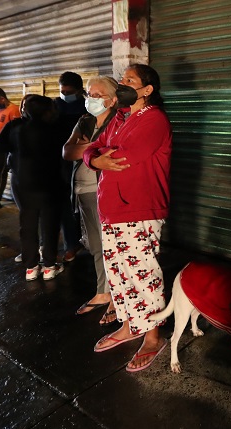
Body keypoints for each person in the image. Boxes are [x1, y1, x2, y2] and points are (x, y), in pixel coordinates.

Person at [84, 64, 172, 372]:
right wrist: (96, 158)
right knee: (119, 274)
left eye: (129, 81)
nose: (122, 84)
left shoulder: (155, 120)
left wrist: (101, 157)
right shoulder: (119, 118)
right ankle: (128, 326)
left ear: (147, 90)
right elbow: (93, 149)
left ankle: (152, 337)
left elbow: (122, 158)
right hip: (111, 209)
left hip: (139, 211)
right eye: (122, 79)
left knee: (143, 276)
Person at [63, 76, 118, 324]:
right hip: (83, 189)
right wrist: (92, 148)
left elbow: (112, 153)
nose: (91, 99)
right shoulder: (84, 121)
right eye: (89, 94)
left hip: (104, 189)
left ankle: (117, 298)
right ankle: (103, 292)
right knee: (96, 244)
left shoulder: (119, 121)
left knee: (112, 246)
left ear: (112, 98)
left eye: (97, 94)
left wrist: (86, 147)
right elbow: (66, 151)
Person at [0, 95, 65, 281]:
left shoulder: (15, 127)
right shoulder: (56, 129)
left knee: (27, 223)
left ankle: (31, 267)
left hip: (22, 182)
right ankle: (49, 265)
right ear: (47, 111)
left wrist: (15, 150)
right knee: (49, 224)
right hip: (50, 182)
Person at [54, 71, 87, 262]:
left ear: (79, 90)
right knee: (66, 205)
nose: (65, 94)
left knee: (86, 205)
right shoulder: (54, 106)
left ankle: (88, 241)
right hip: (61, 162)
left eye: (69, 91)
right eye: (62, 91)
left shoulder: (88, 106)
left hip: (84, 159)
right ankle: (71, 244)